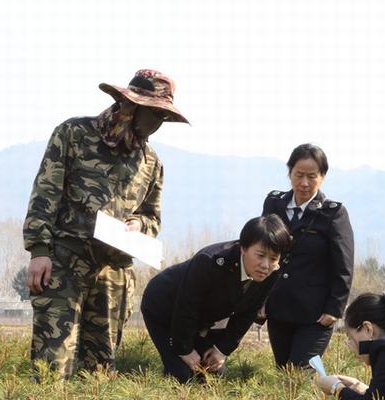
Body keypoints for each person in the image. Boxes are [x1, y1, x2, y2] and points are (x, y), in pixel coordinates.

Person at [23, 69, 189, 378]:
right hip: (64, 263)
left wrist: (139, 225)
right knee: (53, 365)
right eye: (153, 113)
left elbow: (152, 218)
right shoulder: (73, 134)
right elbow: (46, 193)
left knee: (100, 372)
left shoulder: (151, 162)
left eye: (163, 117)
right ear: (129, 104)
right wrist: (39, 250)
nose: (157, 123)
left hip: (114, 273)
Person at [141, 215, 292, 383]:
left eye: (273, 258)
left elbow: (249, 312)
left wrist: (222, 350)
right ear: (243, 248)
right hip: (163, 305)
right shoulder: (210, 261)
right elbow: (187, 306)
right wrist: (185, 349)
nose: (265, 265)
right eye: (260, 255)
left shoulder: (272, 273)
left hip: (199, 318)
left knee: (214, 373)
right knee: (182, 375)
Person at [261, 144, 354, 368]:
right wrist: (259, 301)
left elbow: (344, 265)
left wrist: (335, 308)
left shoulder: (332, 213)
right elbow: (262, 252)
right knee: (283, 371)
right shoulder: (274, 204)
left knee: (300, 373)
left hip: (315, 313)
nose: (304, 183)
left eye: (311, 176)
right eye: (298, 175)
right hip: (279, 307)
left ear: (322, 177)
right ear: (289, 173)